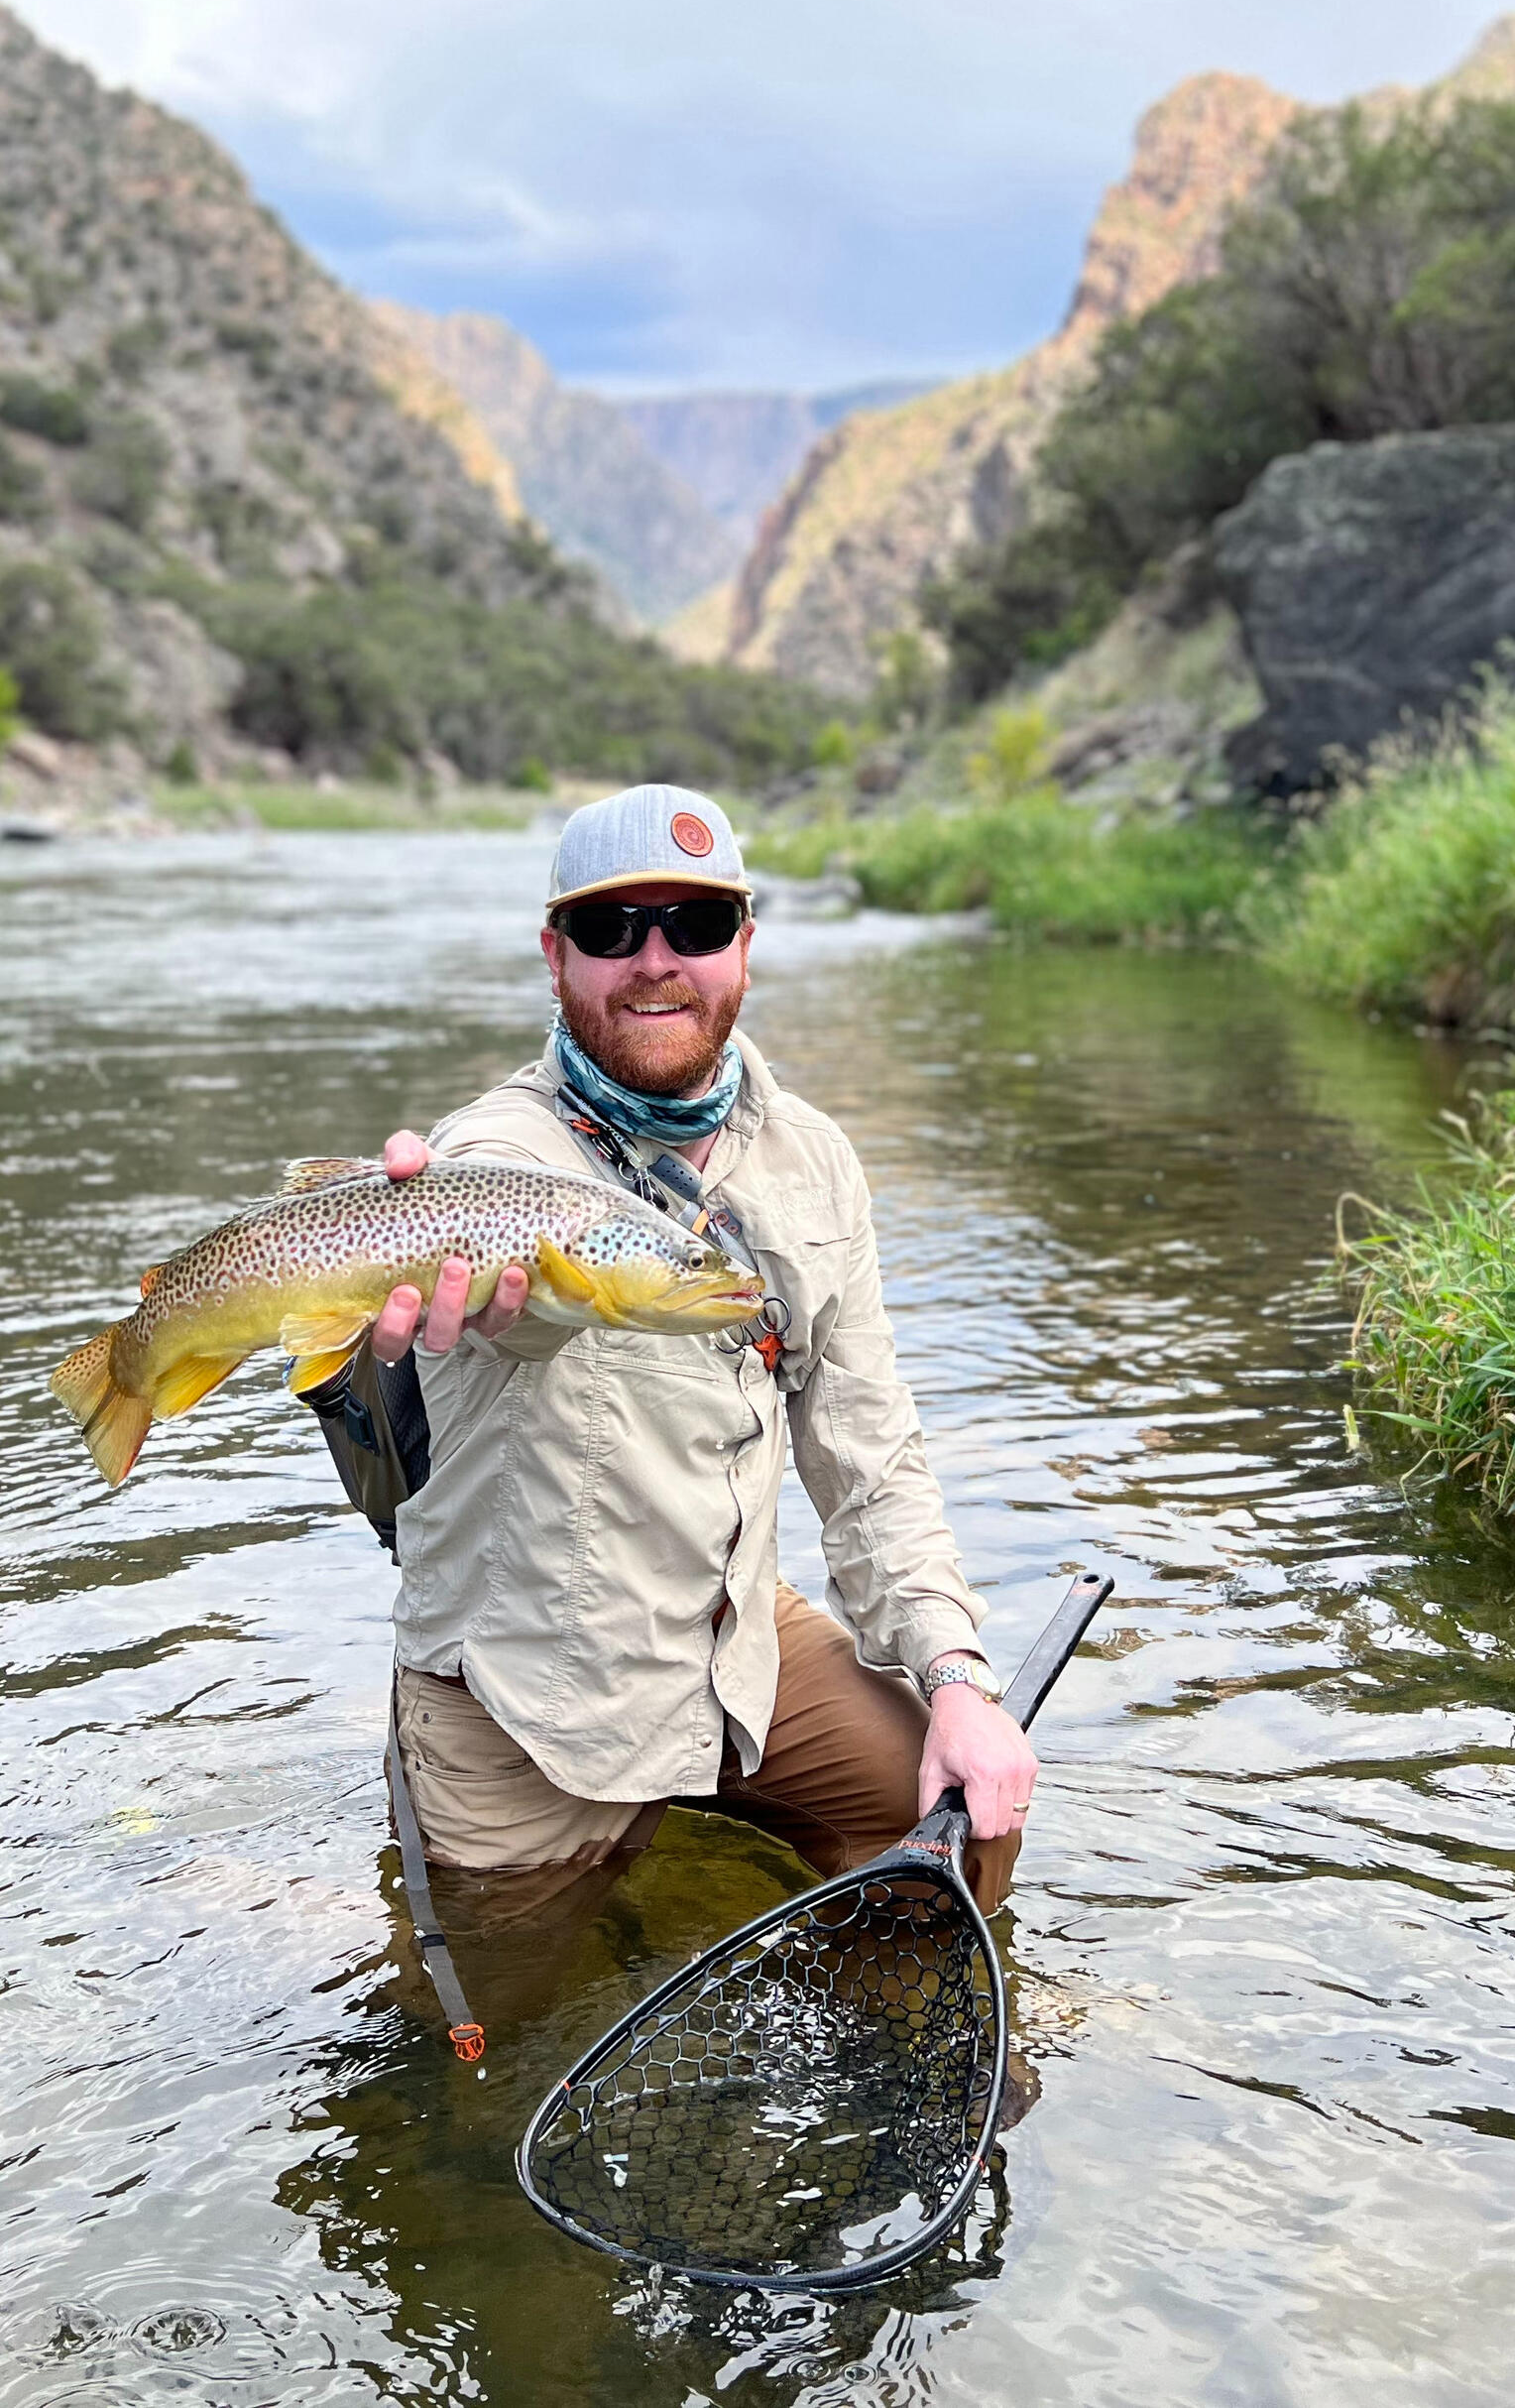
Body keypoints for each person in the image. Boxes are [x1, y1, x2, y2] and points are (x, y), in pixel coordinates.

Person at [363, 783, 1039, 1919]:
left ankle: (879, 2055)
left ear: (747, 945)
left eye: (698, 924)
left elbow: (870, 1456)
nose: (656, 959)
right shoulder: (498, 1155)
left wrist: (957, 1677)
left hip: (736, 1644)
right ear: (555, 953)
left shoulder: (815, 1161)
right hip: (527, 1690)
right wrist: (448, 1247)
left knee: (958, 1815)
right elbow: (527, 1301)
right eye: (610, 929)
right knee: (499, 2040)